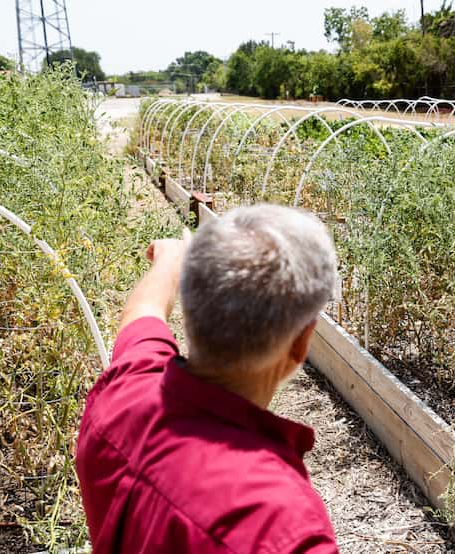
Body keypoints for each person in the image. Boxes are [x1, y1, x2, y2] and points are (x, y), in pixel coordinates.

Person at [76, 204, 340, 553]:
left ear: (191, 311)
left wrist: (169, 260)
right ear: (301, 343)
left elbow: (143, 311)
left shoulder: (125, 391)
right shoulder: (281, 524)